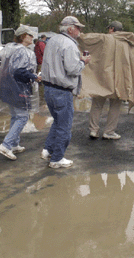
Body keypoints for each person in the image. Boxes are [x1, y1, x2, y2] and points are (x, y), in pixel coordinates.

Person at [41, 16, 91, 168]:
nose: (80, 31)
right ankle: (56, 159)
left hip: (49, 88)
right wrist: (83, 61)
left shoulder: (52, 41)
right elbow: (73, 69)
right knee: (64, 126)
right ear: (70, 29)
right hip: (62, 91)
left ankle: (48, 150)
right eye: (78, 28)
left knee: (58, 122)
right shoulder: (69, 44)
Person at [78, 20, 134, 140]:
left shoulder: (105, 38)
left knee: (97, 105)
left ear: (112, 29)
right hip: (120, 79)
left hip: (103, 79)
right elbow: (131, 63)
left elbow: (86, 39)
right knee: (115, 106)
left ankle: (93, 130)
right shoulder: (127, 42)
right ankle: (109, 132)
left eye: (109, 29)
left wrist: (78, 35)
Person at [0, 25, 42, 160]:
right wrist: (34, 77)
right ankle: (6, 145)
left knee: (15, 115)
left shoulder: (10, 48)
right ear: (23, 36)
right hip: (18, 88)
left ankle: (14, 144)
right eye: (30, 35)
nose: (32, 37)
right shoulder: (23, 51)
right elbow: (19, 71)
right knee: (22, 117)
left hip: (7, 87)